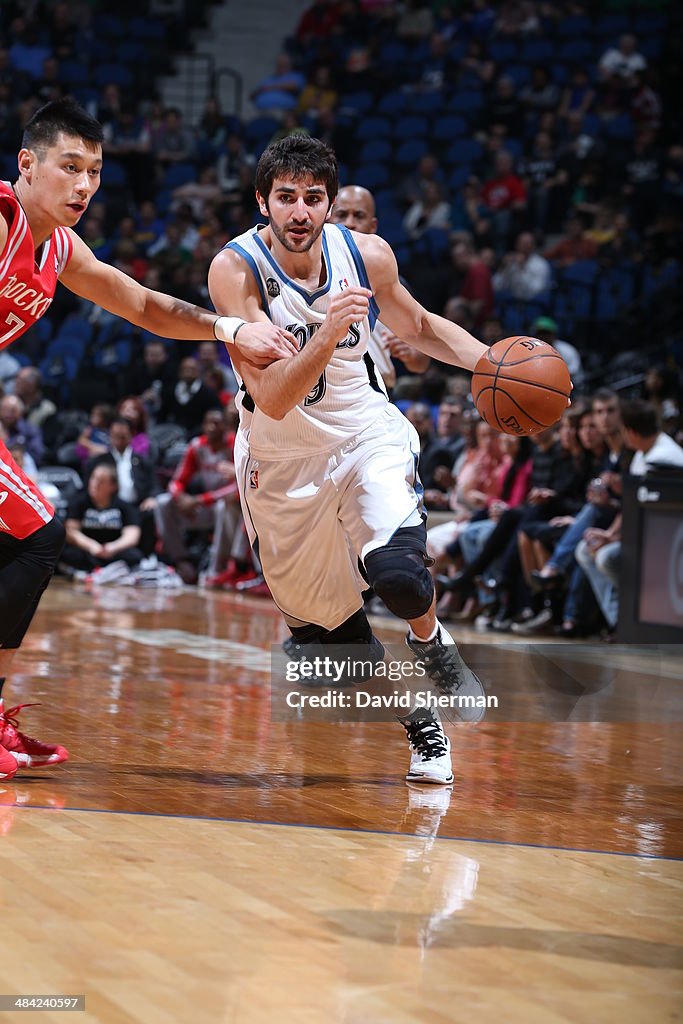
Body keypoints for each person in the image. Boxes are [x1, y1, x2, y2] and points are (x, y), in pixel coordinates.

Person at [0, 97, 296, 782]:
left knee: (29, 538)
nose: (83, 185)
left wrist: (230, 329)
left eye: (95, 172)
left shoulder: (61, 247)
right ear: (27, 164)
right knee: (36, 534)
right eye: (68, 167)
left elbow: (140, 305)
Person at [208, 135, 492, 788]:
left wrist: (490, 361)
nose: (300, 211)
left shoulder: (366, 257)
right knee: (329, 644)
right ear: (262, 203)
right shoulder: (236, 271)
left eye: (313, 198)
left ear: (331, 204)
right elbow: (273, 398)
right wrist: (332, 328)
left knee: (396, 571)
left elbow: (417, 326)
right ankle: (419, 716)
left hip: (364, 434)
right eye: (286, 198)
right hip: (279, 460)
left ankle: (431, 641)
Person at [329, 185, 429, 389]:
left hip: (376, 393)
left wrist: (411, 354)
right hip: (326, 391)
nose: (350, 223)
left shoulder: (389, 279)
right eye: (341, 215)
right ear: (328, 218)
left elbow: (421, 361)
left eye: (358, 216)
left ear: (373, 225)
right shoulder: (306, 272)